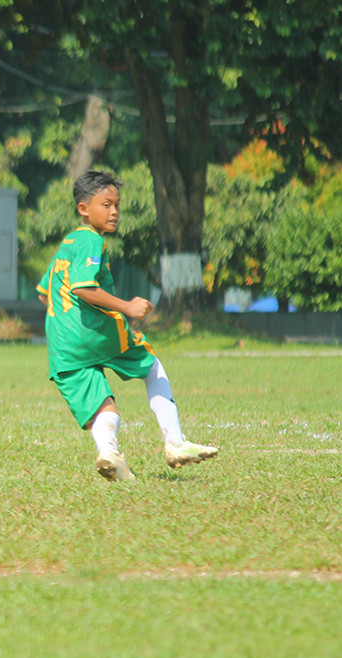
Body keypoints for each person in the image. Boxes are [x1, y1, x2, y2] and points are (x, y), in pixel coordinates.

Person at [36, 170, 219, 481]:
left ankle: (109, 454)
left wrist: (68, 322)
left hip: (63, 345)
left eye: (117, 205)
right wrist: (127, 307)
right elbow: (82, 288)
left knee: (102, 406)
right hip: (96, 332)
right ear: (83, 209)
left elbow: (45, 294)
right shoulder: (91, 240)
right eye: (106, 205)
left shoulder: (68, 244)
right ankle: (175, 443)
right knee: (151, 366)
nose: (114, 212)